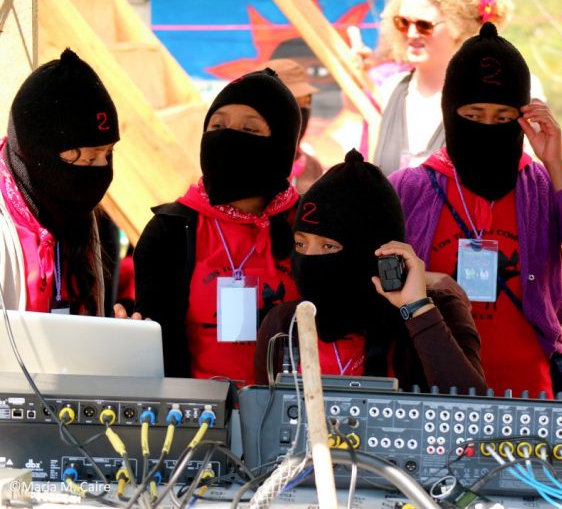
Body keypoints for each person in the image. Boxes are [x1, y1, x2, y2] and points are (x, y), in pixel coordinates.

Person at [390, 23, 562, 398]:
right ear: (450, 112)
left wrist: (556, 163)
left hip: (530, 392)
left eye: (502, 118)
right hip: (433, 390)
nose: (487, 128)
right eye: (474, 115)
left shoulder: (542, 186)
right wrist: (428, 279)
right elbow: (372, 275)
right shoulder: (410, 188)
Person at [254, 149, 486, 393]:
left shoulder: (440, 311)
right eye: (301, 244)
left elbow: (471, 405)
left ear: (378, 253)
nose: (308, 259)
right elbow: (263, 410)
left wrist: (417, 310)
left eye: (329, 246)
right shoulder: (285, 324)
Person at [134, 69, 301, 384]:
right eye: (218, 126)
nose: (228, 138)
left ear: (281, 145)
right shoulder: (170, 230)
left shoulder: (310, 224)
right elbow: (155, 343)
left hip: (295, 408)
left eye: (249, 129)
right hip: (198, 408)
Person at [0, 49, 122, 317]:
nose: (102, 170)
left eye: (108, 153)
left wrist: (114, 335)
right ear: (39, 153)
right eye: (88, 159)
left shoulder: (77, 214)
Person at [368, 0, 513, 175]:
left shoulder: (491, 100)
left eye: (424, 25)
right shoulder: (390, 89)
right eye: (403, 22)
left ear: (458, 27)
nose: (411, 33)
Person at [254, 58, 324, 194]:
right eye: (293, 103)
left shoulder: (312, 166)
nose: (301, 112)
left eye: (306, 102)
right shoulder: (239, 163)